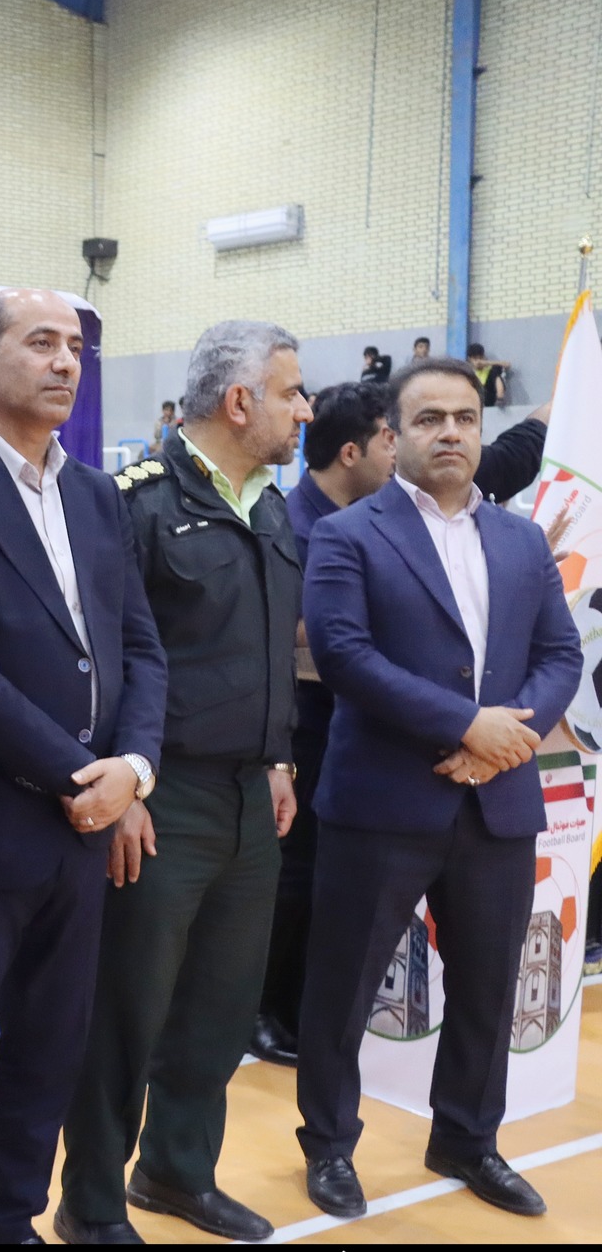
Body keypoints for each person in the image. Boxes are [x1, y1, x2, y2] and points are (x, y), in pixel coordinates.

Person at [0, 290, 167, 1244]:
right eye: (41, 342)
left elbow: (140, 647)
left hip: (83, 837)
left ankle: (10, 1223)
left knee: (50, 1053)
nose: (64, 362)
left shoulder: (98, 494)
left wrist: (134, 769)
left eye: (76, 348)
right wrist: (89, 779)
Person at [296, 358, 580, 1220]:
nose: (450, 432)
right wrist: (466, 726)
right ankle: (329, 1144)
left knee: (489, 986)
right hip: (383, 800)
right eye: (429, 419)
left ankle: (467, 1135)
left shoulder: (522, 540)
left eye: (464, 417)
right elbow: (344, 654)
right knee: (344, 985)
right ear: (393, 435)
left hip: (496, 801)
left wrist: (505, 740)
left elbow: (559, 654)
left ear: (480, 431)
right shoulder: (349, 534)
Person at [57, 321, 310, 1245]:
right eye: (291, 391)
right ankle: (90, 1203)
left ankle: (176, 1172)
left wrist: (278, 757)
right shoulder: (137, 502)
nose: (304, 409)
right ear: (240, 401)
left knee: (220, 1009)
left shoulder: (271, 506)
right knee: (128, 1011)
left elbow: (264, 650)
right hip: (164, 800)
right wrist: (129, 788)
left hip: (251, 797)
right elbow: (111, 657)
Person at [251, 383, 396, 1068]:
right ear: (350, 452)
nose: (396, 454)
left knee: (331, 877)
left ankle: (303, 1005)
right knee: (292, 875)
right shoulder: (291, 525)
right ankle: (263, 1009)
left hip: (350, 723)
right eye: (388, 439)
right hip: (300, 726)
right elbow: (294, 634)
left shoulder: (369, 520)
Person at [465, 342, 511, 409]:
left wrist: (486, 363)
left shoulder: (490, 369)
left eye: (480, 358)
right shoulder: (468, 371)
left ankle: (500, 398)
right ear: (469, 359)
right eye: (475, 359)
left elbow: (507, 364)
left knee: (495, 371)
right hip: (474, 400)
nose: (478, 361)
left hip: (489, 397)